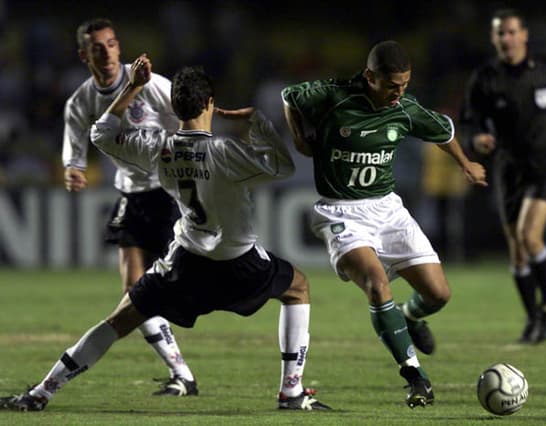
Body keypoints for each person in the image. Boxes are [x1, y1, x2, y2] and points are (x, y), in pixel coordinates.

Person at [0, 57, 330, 412]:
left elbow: (101, 134)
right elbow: (283, 165)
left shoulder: (159, 146)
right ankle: (290, 393)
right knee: (297, 288)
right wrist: (255, 121)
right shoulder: (225, 152)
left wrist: (132, 88)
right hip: (238, 262)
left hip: (185, 262)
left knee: (119, 320)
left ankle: (42, 393)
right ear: (209, 104)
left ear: (173, 105)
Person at [282, 40, 487, 408]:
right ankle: (414, 375)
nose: (400, 92)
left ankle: (408, 317)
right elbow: (290, 97)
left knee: (439, 294)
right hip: (341, 212)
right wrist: (299, 137)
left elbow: (444, 131)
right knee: (377, 286)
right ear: (369, 77)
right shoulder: (333, 96)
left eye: (405, 84)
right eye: (393, 85)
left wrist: (465, 164)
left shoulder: (404, 109)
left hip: (388, 210)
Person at [61, 18, 197, 395]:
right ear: (83, 55)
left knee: (160, 291)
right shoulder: (82, 100)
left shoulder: (150, 82)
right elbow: (74, 148)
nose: (105, 52)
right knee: (134, 290)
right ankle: (182, 375)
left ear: (119, 47)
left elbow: (193, 115)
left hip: (168, 192)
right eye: (96, 47)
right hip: (131, 195)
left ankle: (183, 375)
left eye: (110, 44)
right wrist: (73, 170)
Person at [460, 9, 546, 344]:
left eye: (511, 32)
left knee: (529, 236)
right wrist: (476, 140)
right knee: (517, 249)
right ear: (494, 38)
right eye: (500, 33)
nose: (506, 38)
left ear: (524, 34)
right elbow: (469, 120)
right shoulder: (486, 78)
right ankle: (534, 319)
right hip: (509, 165)